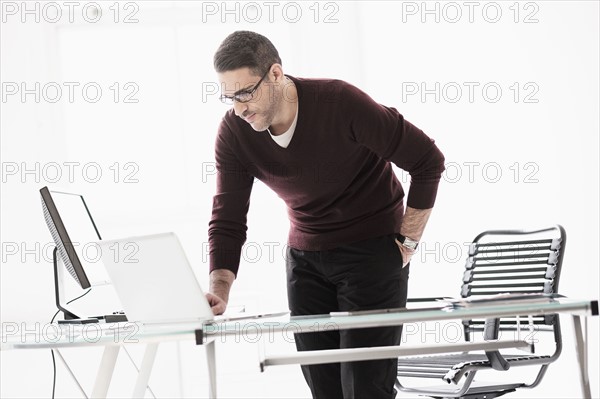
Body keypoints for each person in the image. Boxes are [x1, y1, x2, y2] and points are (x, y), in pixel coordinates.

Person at [206, 30, 445, 399]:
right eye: (229, 97)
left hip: (372, 252)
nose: (239, 108)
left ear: (275, 74)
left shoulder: (339, 102)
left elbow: (428, 161)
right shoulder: (234, 132)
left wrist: (408, 243)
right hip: (305, 261)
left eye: (245, 93)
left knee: (366, 389)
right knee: (325, 391)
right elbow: (228, 216)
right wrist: (219, 289)